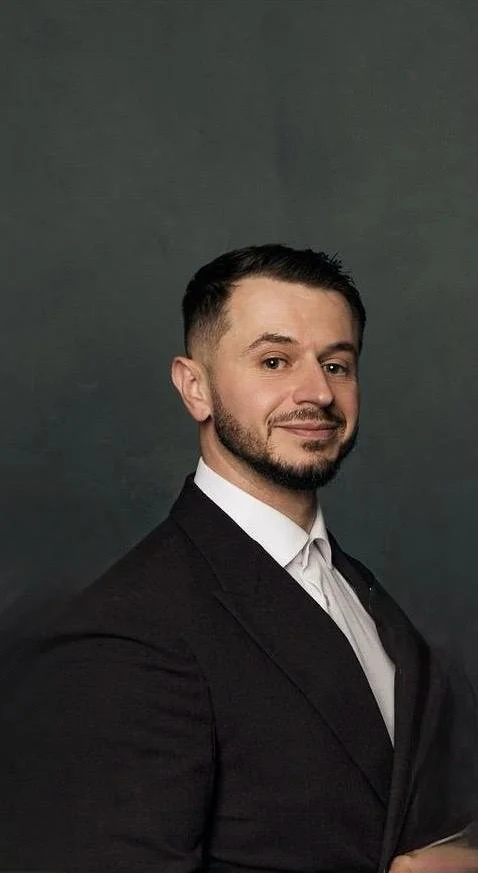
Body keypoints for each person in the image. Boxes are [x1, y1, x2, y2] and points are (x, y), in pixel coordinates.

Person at [0, 244, 476, 872]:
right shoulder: (125, 632)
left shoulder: (362, 592)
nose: (318, 393)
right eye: (275, 361)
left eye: (337, 365)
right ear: (194, 387)